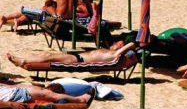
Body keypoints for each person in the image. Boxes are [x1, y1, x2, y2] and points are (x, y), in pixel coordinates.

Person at [7, 39, 135, 67]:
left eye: (119, 44)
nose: (116, 43)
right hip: (77, 57)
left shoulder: (114, 55)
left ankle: (22, 61)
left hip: (78, 60)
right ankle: (23, 59)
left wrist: (137, 42)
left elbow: (132, 45)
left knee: (49, 57)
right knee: (47, 54)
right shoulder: (108, 51)